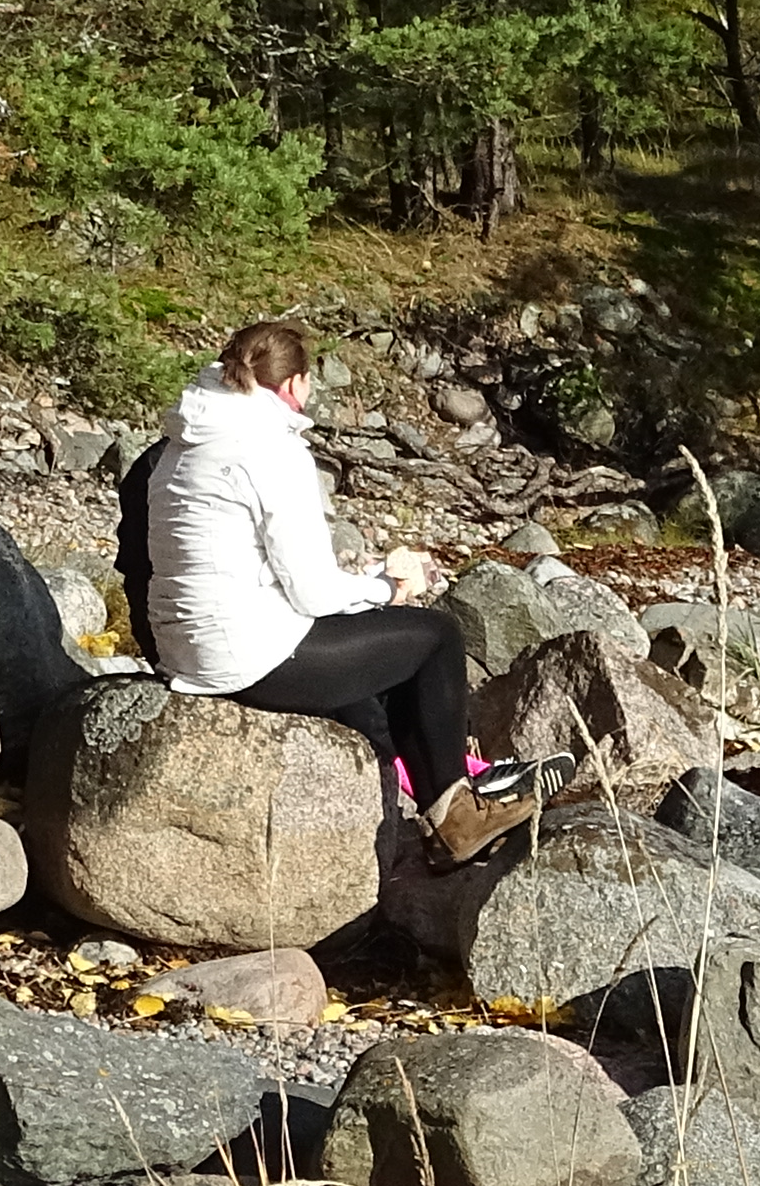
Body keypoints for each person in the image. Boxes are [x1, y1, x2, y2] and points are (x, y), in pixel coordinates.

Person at [139, 317, 512, 850]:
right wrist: (385, 588)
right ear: (294, 385)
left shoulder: (182, 445)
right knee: (435, 638)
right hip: (248, 657)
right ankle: (457, 819)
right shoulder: (270, 447)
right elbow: (311, 593)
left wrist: (366, 592)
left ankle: (435, 806)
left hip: (183, 650)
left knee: (374, 679)